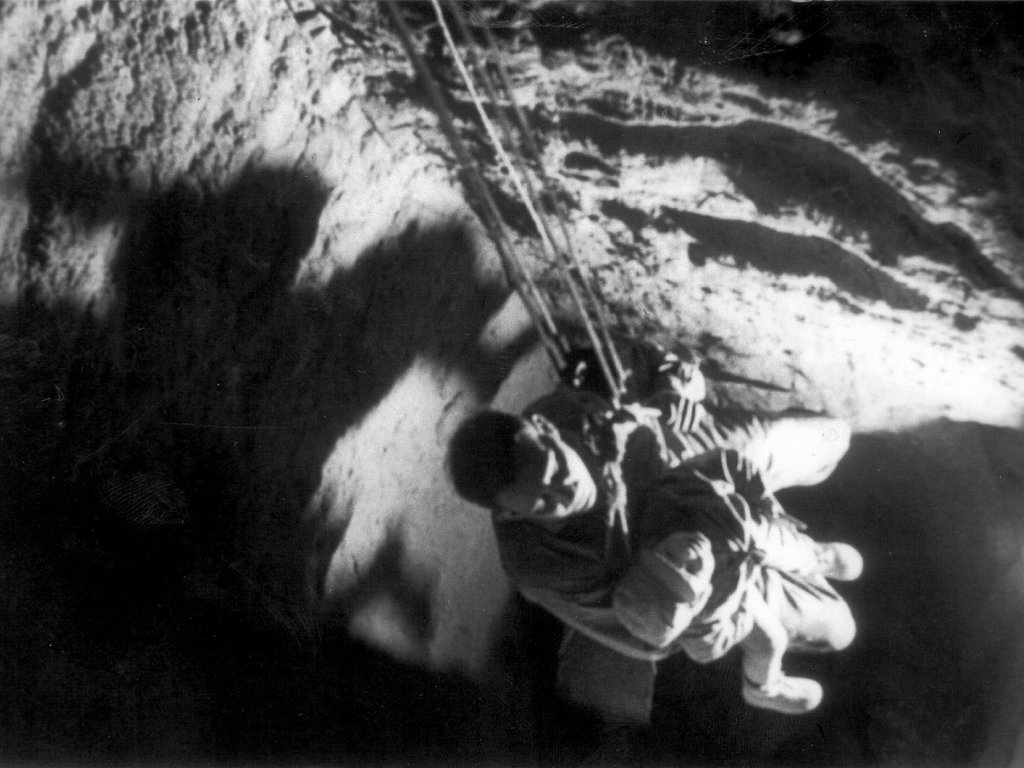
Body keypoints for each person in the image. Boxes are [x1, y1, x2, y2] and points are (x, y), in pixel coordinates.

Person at [447, 341, 860, 715]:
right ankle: (762, 684)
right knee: (839, 629)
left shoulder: (559, 410)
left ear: (547, 430)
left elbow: (641, 366)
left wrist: (672, 396)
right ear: (511, 515)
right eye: (544, 502)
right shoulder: (545, 565)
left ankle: (805, 545)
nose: (566, 491)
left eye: (557, 468)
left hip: (696, 463)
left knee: (834, 436)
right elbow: (652, 635)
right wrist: (724, 581)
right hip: (696, 566)